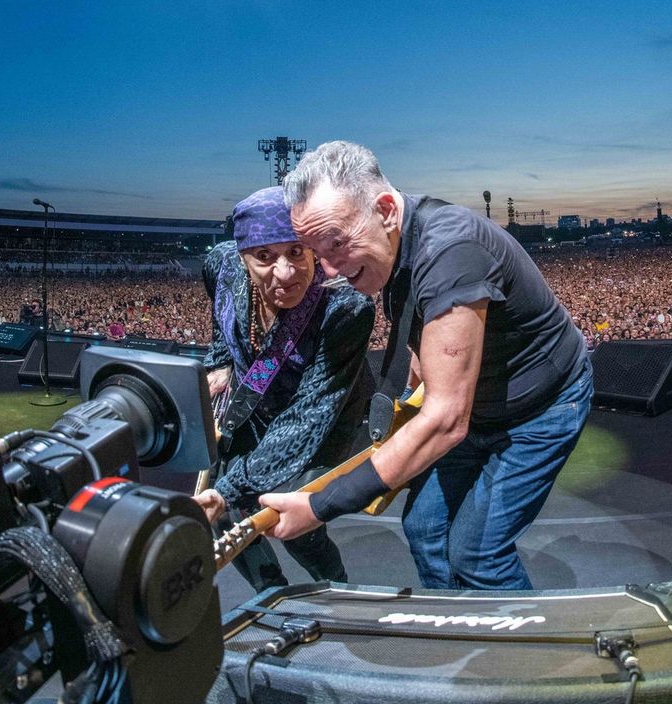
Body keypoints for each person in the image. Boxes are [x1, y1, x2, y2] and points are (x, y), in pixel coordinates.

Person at [261, 141, 593, 590]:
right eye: (319, 254)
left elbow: (445, 421)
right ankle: (460, 624)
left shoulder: (452, 251)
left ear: (385, 210)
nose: (330, 269)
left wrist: (321, 505)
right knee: (425, 531)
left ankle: (525, 655)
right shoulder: (397, 244)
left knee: (479, 554)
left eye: (336, 245)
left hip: (541, 410)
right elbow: (424, 349)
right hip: (482, 406)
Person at [194, 185, 375, 593]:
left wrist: (229, 488)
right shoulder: (221, 264)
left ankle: (335, 589)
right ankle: (271, 594)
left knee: (289, 512)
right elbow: (220, 308)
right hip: (256, 405)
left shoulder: (346, 307)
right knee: (224, 514)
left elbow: (306, 420)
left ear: (313, 247)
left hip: (324, 414)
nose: (285, 273)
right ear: (242, 258)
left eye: (296, 251)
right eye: (264, 257)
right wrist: (222, 356)